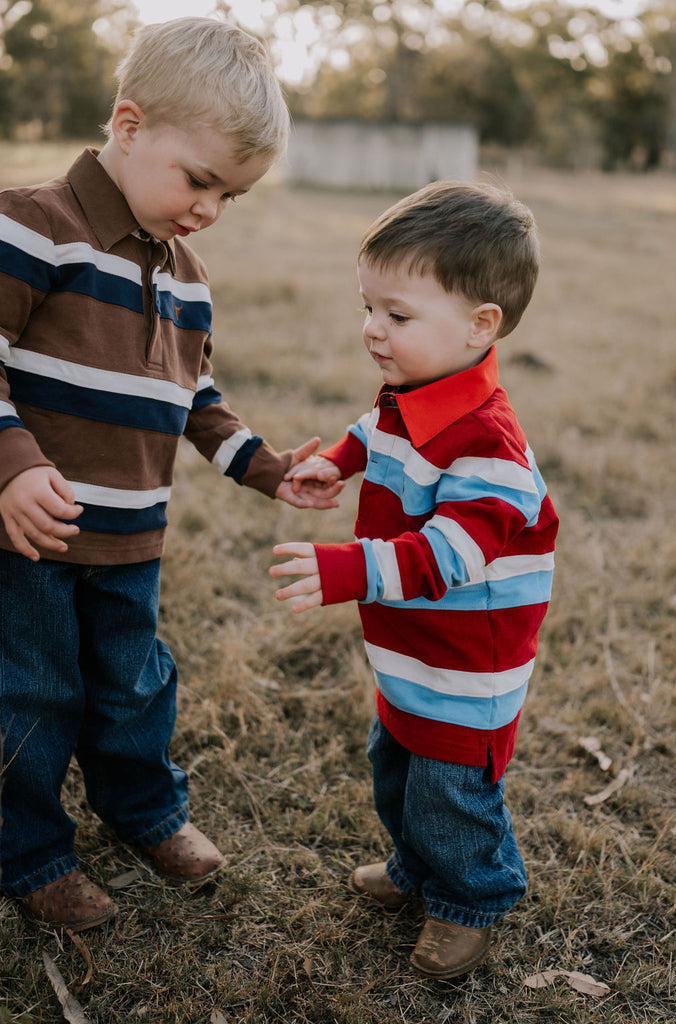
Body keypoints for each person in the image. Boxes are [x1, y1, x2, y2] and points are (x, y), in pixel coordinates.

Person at [0, 17, 341, 932]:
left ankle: (143, 810)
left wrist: (268, 469)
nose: (207, 210)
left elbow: (195, 397)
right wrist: (12, 465)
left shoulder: (187, 276)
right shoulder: (31, 227)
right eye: (199, 180)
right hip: (30, 534)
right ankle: (30, 853)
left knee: (134, 682)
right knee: (31, 692)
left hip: (131, 536)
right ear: (128, 123)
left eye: (231, 196)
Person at [270, 181, 559, 980]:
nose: (371, 330)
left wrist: (346, 570)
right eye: (367, 307)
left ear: (480, 325)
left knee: (449, 790)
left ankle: (470, 895)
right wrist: (339, 458)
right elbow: (376, 429)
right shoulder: (415, 392)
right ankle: (412, 869)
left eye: (395, 316)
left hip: (468, 666)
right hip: (413, 651)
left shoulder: (490, 447)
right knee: (393, 760)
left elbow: (448, 556)